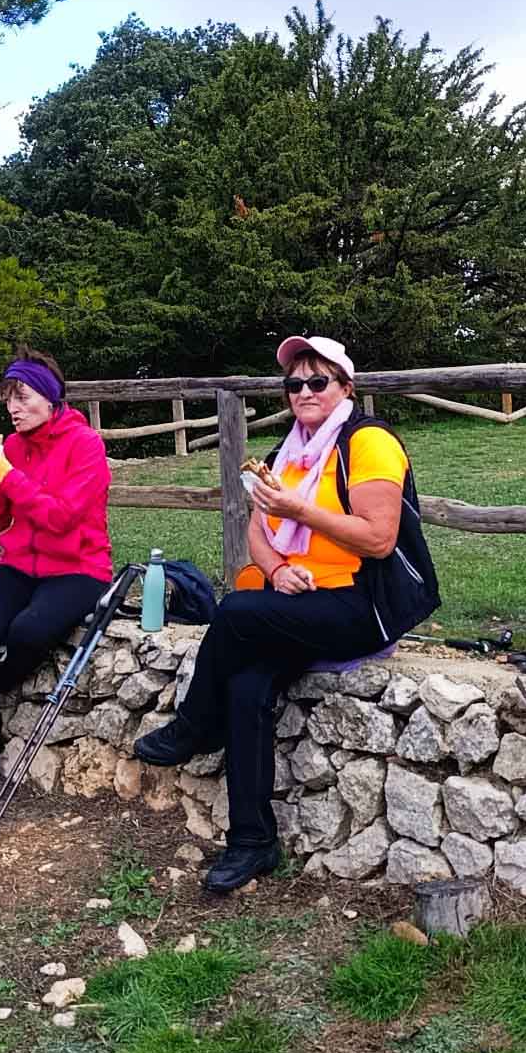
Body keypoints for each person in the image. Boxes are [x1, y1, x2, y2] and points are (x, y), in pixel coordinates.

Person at [133, 336, 439, 892]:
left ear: (346, 386)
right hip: (294, 600)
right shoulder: (287, 452)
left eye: (317, 381)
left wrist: (300, 509)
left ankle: (194, 725)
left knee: (234, 612)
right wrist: (275, 569)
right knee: (248, 685)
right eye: (294, 384)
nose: (304, 392)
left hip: (361, 602)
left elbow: (378, 538)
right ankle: (252, 843)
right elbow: (257, 528)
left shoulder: (368, 442)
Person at [0, 350, 112, 785]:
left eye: (21, 397)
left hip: (80, 567)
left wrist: (5, 474)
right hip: (20, 563)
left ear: (50, 397)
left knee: (28, 632)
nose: (13, 409)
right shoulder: (14, 449)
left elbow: (60, 517)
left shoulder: (86, 445)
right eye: (7, 400)